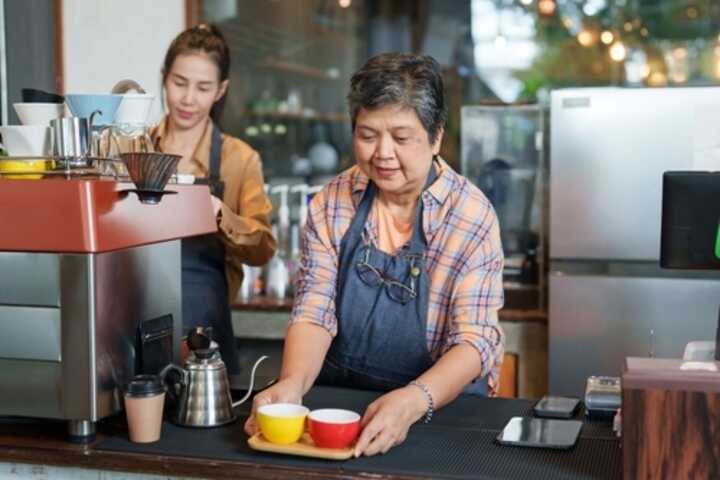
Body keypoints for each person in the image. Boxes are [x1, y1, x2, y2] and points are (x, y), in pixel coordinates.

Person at [245, 52, 504, 456]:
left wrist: (414, 400)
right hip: (346, 408)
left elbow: (475, 340)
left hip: (440, 409)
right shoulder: (334, 202)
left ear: (436, 137)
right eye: (368, 136)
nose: (382, 153)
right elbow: (314, 310)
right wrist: (292, 385)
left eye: (401, 138)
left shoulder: (470, 215)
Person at [152, 24, 276, 374]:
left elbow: (263, 248)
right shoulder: (137, 148)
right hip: (138, 320)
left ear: (221, 90)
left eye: (203, 87)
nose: (188, 99)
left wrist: (222, 216)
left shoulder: (240, 159)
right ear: (164, 78)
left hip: (206, 327)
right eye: (179, 83)